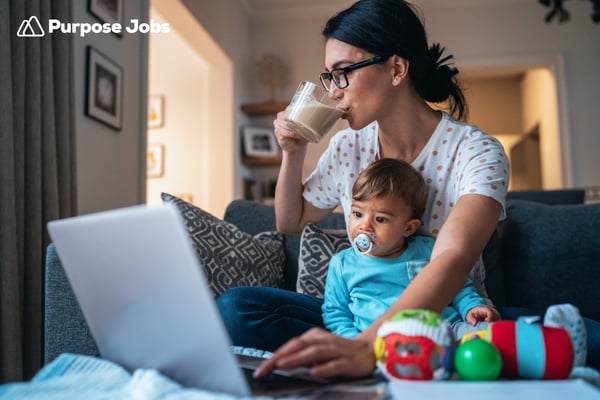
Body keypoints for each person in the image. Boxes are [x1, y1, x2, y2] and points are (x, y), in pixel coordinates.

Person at [216, 0, 599, 379]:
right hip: (360, 318)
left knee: (590, 338)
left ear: (396, 69)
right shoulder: (348, 147)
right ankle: (380, 357)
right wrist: (293, 152)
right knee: (237, 308)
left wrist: (368, 347)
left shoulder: (476, 152)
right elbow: (290, 221)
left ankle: (403, 357)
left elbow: (451, 259)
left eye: (343, 72)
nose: (333, 91)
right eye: (329, 76)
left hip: (448, 320)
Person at [322, 158, 500, 340]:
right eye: (358, 214)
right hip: (379, 343)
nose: (364, 226)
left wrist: (472, 307)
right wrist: (354, 343)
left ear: (409, 228)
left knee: (490, 336)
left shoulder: (428, 249)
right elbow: (336, 314)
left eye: (380, 219)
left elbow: (457, 286)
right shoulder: (342, 264)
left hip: (445, 331)